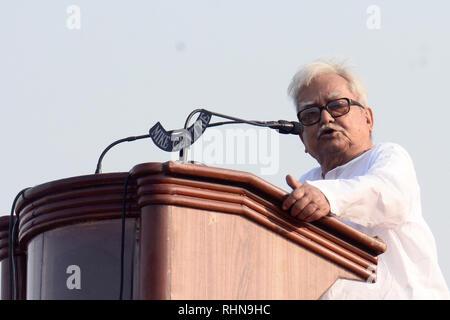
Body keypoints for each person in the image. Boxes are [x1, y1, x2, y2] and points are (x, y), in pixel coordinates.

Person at [282, 59, 450, 299]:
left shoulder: (386, 157)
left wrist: (327, 198)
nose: (326, 119)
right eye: (311, 113)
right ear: (302, 140)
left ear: (368, 119)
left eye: (338, 106)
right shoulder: (305, 185)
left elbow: (389, 195)